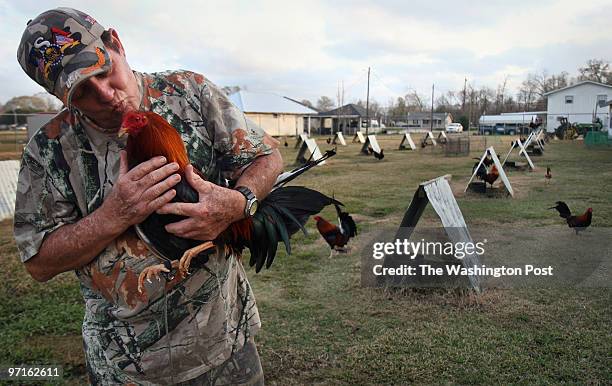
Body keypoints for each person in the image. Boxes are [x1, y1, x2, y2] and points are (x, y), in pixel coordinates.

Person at [15, 7, 283, 385]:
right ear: (59, 96)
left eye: (104, 72)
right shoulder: (49, 150)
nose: (107, 95)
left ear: (116, 44)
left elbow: (267, 155)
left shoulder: (190, 92)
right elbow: (38, 263)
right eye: (82, 92)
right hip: (128, 365)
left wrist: (239, 202)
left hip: (225, 343)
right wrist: (115, 214)